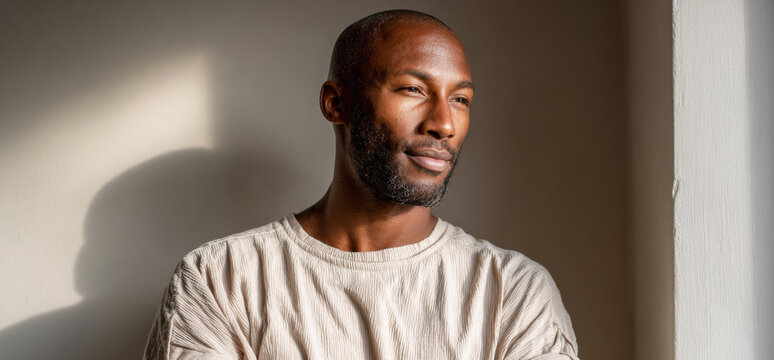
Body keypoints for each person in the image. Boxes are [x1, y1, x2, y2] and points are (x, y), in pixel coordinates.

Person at [144, 9, 579, 360]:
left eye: (460, 99)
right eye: (412, 89)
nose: (444, 123)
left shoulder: (515, 292)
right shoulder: (220, 280)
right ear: (337, 104)